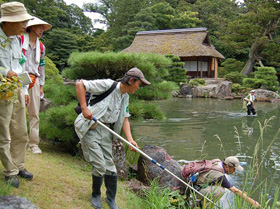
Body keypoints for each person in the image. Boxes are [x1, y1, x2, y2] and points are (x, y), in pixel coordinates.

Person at [74, 67, 150, 209]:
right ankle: (96, 194)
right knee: (100, 165)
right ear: (131, 80)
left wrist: (130, 140)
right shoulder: (108, 85)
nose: (139, 87)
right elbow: (80, 84)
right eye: (139, 84)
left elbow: (125, 119)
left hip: (106, 132)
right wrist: (84, 108)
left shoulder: (125, 96)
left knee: (111, 168)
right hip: (91, 129)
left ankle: (111, 199)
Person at [0, 2, 34, 188]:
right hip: (2, 92)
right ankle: (9, 170)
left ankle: (19, 164)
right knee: (4, 133)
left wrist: (24, 90)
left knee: (21, 130)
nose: (24, 26)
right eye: (22, 22)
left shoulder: (16, 40)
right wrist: (5, 73)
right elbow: (9, 70)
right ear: (8, 22)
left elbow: (19, 67)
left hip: (17, 90)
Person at [22, 17, 52, 154]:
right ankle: (18, 140)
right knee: (18, 111)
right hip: (20, 77)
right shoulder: (20, 40)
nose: (42, 31)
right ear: (32, 27)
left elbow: (41, 67)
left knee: (34, 112)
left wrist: (41, 85)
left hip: (34, 79)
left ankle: (33, 143)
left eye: (43, 28)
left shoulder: (41, 46)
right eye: (40, 27)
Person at [193, 156, 261, 208]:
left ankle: (199, 202)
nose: (234, 171)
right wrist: (253, 202)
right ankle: (204, 206)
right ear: (227, 166)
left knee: (219, 187)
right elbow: (235, 191)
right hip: (194, 190)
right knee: (220, 190)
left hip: (196, 184)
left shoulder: (217, 162)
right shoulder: (218, 175)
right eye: (234, 169)